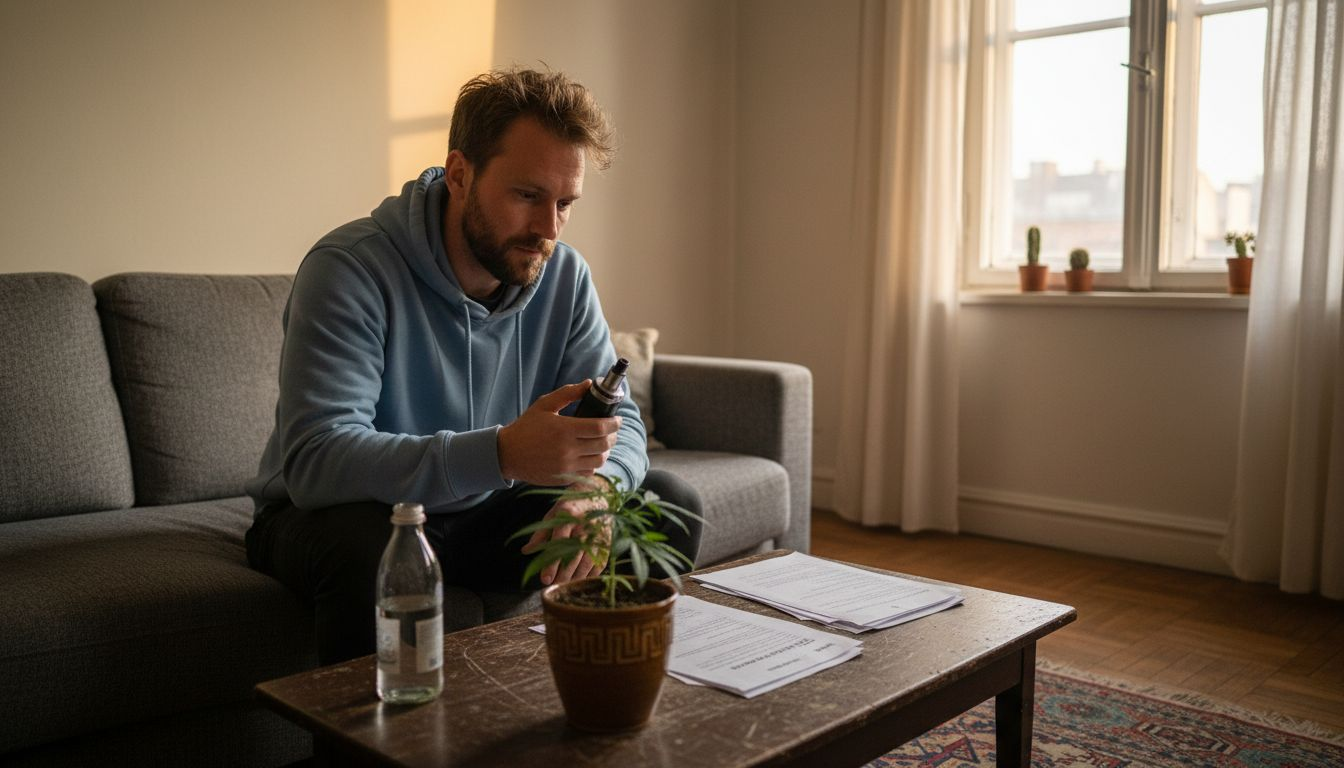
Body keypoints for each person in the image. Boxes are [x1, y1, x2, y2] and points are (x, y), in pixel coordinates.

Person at [244, 68, 702, 665]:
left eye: (565, 203)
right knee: (371, 551)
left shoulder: (563, 275)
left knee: (667, 503)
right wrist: (503, 453)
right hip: (339, 516)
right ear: (460, 175)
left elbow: (623, 425)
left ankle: (599, 717)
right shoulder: (349, 269)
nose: (549, 229)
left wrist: (597, 489)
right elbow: (317, 458)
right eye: (527, 195)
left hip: (483, 508)